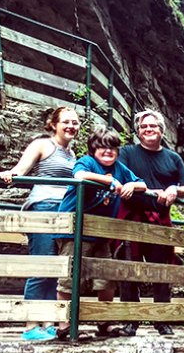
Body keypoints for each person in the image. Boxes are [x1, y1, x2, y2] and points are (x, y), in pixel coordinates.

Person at [53, 127, 146, 340]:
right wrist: (110, 181)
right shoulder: (87, 162)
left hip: (102, 232)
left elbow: (143, 184)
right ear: (94, 149)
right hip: (75, 230)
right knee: (70, 276)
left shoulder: (120, 168)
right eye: (102, 147)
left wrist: (131, 184)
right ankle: (65, 324)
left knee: (106, 278)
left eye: (112, 148)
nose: (108, 152)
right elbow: (79, 175)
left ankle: (105, 321)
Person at [0, 106, 78, 341]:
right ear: (53, 124)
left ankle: (46, 322)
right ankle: (30, 325)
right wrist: (11, 173)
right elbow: (22, 168)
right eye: (66, 122)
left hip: (64, 211)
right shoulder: (43, 144)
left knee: (55, 269)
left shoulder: (71, 154)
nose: (71, 126)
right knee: (41, 265)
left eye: (75, 122)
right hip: (43, 207)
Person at [117, 109, 184, 336]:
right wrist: (152, 190)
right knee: (130, 268)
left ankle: (161, 319)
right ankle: (131, 320)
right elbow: (121, 181)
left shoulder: (173, 158)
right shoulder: (127, 153)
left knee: (161, 270)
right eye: (143, 127)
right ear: (138, 132)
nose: (148, 129)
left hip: (160, 220)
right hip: (132, 216)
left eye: (153, 126)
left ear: (161, 130)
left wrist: (174, 189)